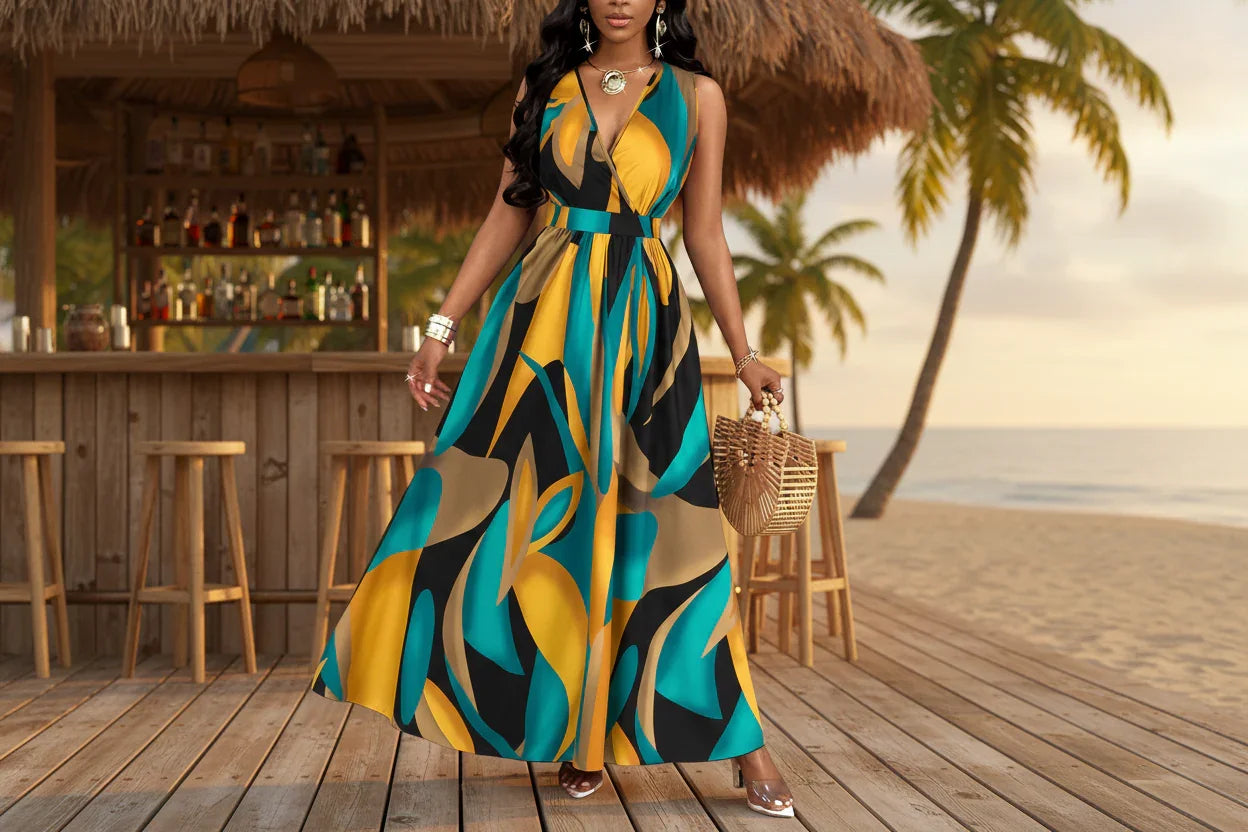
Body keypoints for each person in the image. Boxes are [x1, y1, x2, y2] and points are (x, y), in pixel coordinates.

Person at [311, 0, 794, 818]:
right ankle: (576, 736)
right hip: (539, 331)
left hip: (643, 331)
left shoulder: (696, 95)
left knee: (672, 532)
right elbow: (510, 210)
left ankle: (744, 742)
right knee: (513, 521)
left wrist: (743, 357)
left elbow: (704, 233)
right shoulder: (543, 86)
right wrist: (443, 322)